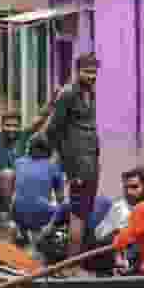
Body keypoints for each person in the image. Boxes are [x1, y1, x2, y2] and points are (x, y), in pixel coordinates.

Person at [38, 54, 100, 258]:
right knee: (77, 215)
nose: (91, 76)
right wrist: (68, 164)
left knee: (84, 212)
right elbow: (52, 130)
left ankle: (80, 257)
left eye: (94, 72)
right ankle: (72, 264)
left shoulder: (89, 92)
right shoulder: (68, 94)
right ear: (77, 71)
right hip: (78, 166)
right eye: (87, 72)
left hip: (91, 162)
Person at [0, 83, 52, 214]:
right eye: (8, 125)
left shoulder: (24, 137)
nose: (11, 129)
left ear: (19, 127)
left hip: (18, 186)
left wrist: (53, 101)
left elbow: (40, 120)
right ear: (2, 126)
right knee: (8, 174)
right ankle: (9, 214)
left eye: (15, 126)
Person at [12, 136, 64, 236]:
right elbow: (60, 199)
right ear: (47, 151)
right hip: (41, 216)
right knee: (65, 210)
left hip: (17, 214)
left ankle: (21, 231)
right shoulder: (53, 167)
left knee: (23, 201)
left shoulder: (18, 162)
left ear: (29, 150)